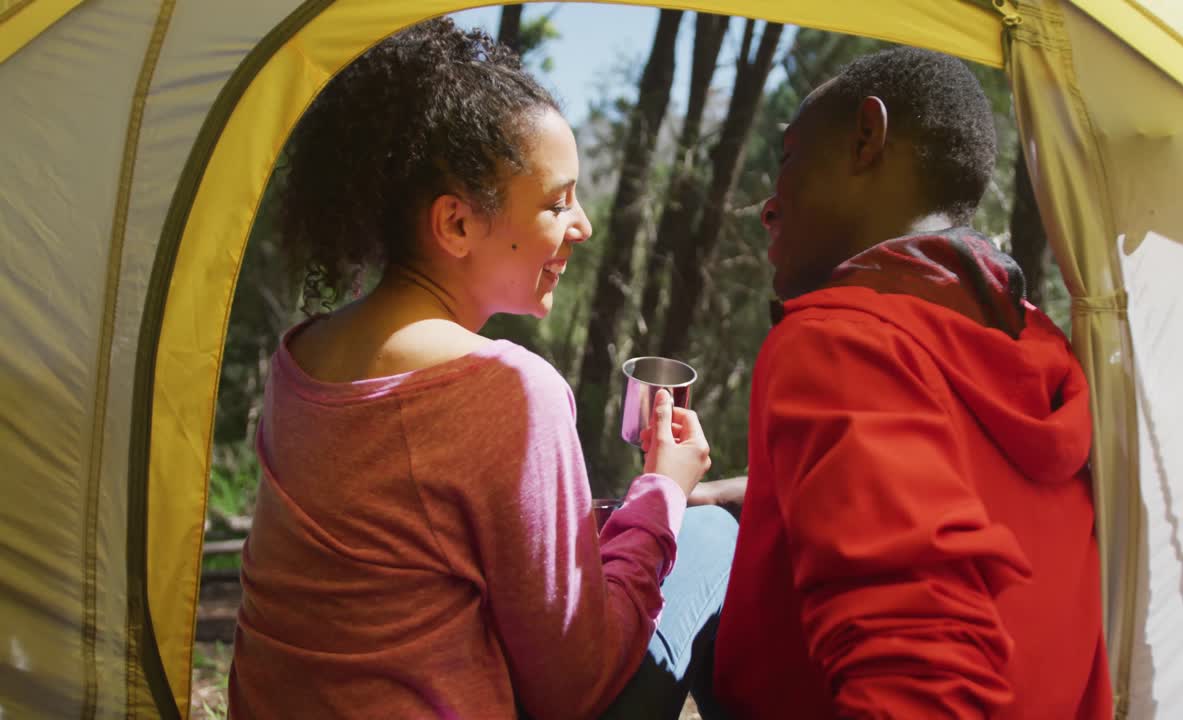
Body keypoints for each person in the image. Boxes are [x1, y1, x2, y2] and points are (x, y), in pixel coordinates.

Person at [227, 19, 736, 720]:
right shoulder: (507, 388)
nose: (582, 225)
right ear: (457, 225)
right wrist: (664, 490)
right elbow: (574, 686)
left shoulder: (305, 355)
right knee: (711, 537)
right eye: (558, 202)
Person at [711, 47, 1112, 718]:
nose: (769, 206)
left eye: (788, 160)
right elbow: (941, 487)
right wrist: (744, 492)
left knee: (687, 557)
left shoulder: (840, 342)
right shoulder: (1035, 352)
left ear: (868, 138)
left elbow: (922, 676)